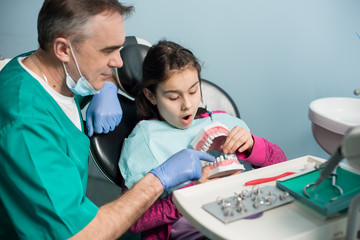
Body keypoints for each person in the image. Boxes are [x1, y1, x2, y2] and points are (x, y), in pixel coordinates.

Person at [0, 1, 215, 239]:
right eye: (107, 51)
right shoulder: (26, 126)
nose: (118, 62)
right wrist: (158, 179)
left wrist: (108, 88)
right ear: (63, 49)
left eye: (118, 49)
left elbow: (117, 67)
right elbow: (82, 235)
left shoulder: (54, 69)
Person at [118, 40, 287, 239]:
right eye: (174, 97)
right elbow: (132, 219)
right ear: (151, 96)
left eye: (193, 91)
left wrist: (252, 146)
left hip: (244, 217)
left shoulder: (224, 120)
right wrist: (193, 193)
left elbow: (282, 166)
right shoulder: (145, 141)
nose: (187, 105)